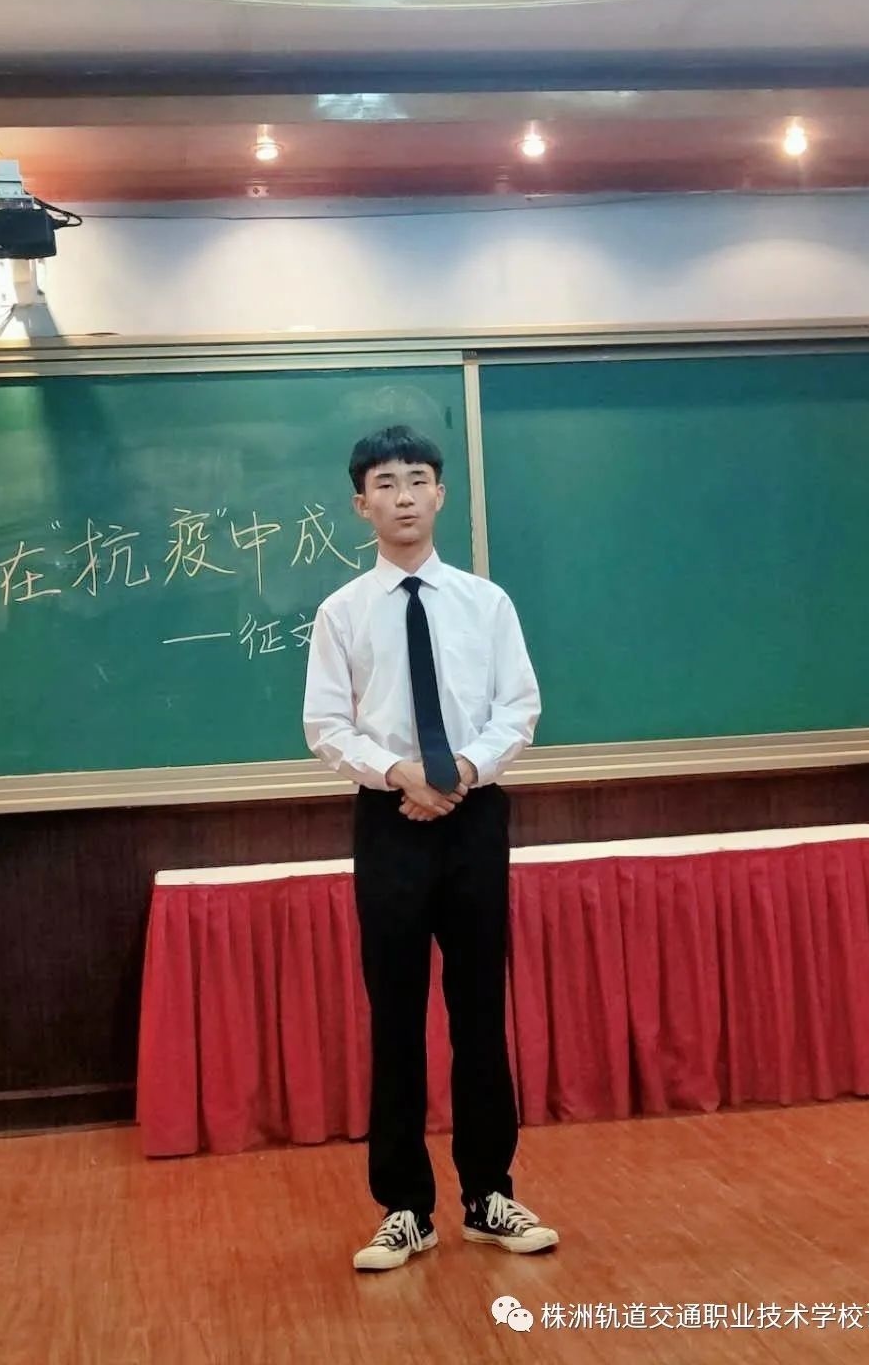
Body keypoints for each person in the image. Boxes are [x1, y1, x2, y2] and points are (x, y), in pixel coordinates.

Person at [303, 424, 559, 1271]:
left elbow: (518, 707)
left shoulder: (487, 604)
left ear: (441, 495)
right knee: (396, 1017)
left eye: (417, 479)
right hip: (389, 823)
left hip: (475, 817)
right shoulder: (342, 612)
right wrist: (401, 776)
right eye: (385, 483)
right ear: (361, 504)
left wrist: (461, 773)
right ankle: (405, 1208)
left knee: (480, 1011)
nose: (403, 496)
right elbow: (325, 724)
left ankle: (489, 1195)